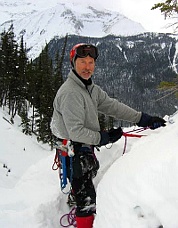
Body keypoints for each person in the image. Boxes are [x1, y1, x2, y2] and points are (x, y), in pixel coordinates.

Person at [51, 43, 166, 228]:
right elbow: (76, 132)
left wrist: (142, 119)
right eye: (82, 62)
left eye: (91, 62)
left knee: (86, 183)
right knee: (86, 200)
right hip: (74, 149)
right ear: (73, 63)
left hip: (82, 146)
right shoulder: (71, 93)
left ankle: (79, 198)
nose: (87, 67)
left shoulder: (90, 88)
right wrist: (103, 138)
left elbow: (112, 106)